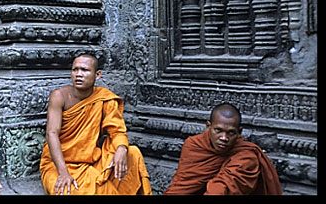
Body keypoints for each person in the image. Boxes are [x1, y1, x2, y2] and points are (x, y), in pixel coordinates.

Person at [40, 54, 152, 195]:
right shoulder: (59, 96)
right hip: (59, 164)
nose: (78, 74)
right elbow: (52, 133)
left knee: (132, 153)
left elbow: (116, 131)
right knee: (68, 191)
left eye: (85, 70)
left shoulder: (104, 98)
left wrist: (122, 149)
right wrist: (63, 173)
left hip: (92, 160)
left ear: (97, 75)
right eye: (75, 70)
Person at [164, 103, 282, 195]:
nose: (224, 138)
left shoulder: (247, 155)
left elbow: (223, 188)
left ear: (239, 132)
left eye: (231, 132)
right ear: (208, 126)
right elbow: (182, 186)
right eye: (218, 130)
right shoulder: (194, 145)